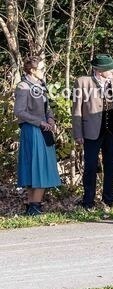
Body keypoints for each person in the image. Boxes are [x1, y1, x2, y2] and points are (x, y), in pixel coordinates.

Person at [72, 54, 113, 211]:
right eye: (109, 68)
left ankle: (108, 201)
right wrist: (78, 133)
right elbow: (76, 109)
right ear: (98, 70)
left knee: (111, 166)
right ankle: (88, 201)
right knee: (90, 167)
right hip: (91, 131)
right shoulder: (83, 82)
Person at [14, 57, 61, 215]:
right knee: (35, 167)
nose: (43, 71)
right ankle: (33, 206)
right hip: (32, 130)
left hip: (44, 129)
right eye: (41, 68)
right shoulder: (23, 86)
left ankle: (34, 205)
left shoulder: (41, 85)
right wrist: (39, 122)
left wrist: (50, 118)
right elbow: (19, 111)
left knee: (42, 167)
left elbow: (47, 107)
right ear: (32, 70)